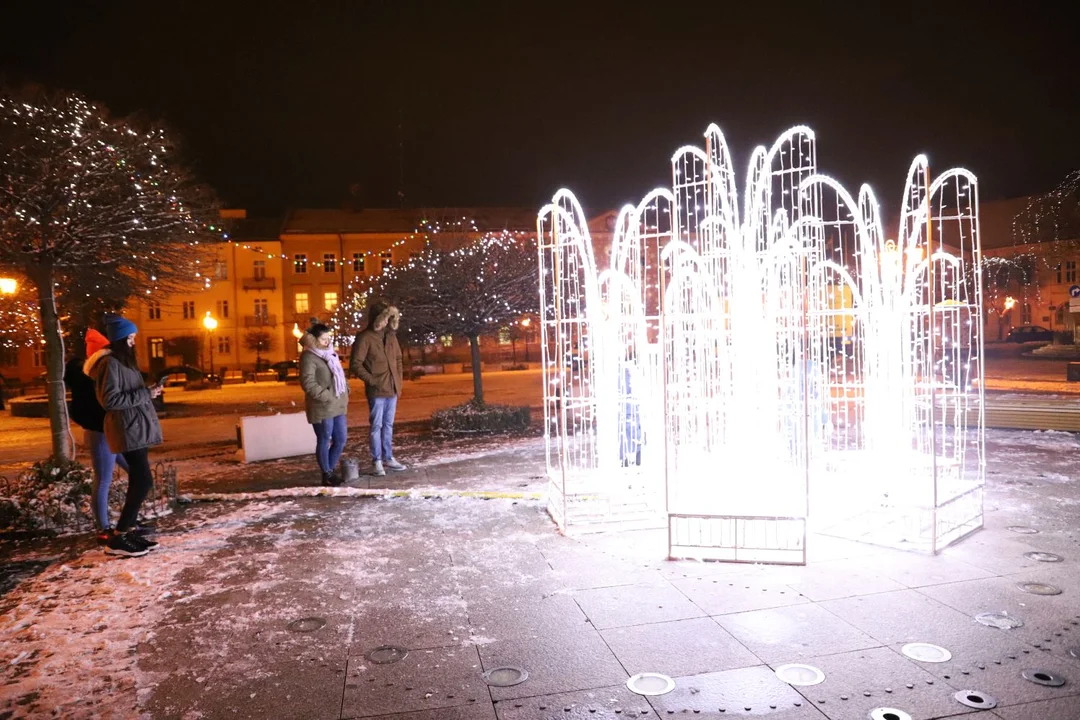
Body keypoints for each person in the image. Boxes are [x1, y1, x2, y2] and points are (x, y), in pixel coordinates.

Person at [86, 314, 163, 557]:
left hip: (135, 427)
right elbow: (110, 400)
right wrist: (145, 395)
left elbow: (130, 392)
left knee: (141, 480)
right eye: (130, 338)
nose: (133, 342)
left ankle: (126, 533)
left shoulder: (123, 363)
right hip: (127, 427)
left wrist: (149, 390)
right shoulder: (111, 364)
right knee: (143, 481)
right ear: (120, 340)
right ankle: (119, 537)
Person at [65, 328, 131, 543]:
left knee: (136, 472)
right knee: (103, 480)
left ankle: (126, 521)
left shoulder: (95, 376)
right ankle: (103, 528)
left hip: (107, 432)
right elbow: (94, 408)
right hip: (100, 433)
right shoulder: (90, 379)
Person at [350, 302, 406, 477]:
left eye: (389, 318)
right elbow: (355, 364)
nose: (386, 322)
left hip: (392, 389)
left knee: (388, 425)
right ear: (376, 318)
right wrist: (372, 380)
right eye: (384, 318)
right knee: (376, 426)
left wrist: (399, 380)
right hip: (377, 390)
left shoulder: (391, 336)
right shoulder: (365, 338)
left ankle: (388, 457)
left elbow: (398, 359)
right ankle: (377, 461)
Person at [299, 324, 349, 486]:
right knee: (324, 438)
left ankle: (330, 470)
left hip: (338, 403)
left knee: (341, 439)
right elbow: (308, 382)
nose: (327, 341)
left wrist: (345, 388)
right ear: (314, 339)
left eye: (329, 338)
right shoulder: (308, 356)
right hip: (322, 405)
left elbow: (338, 374)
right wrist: (326, 395)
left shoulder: (330, 353)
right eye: (323, 338)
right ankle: (326, 473)